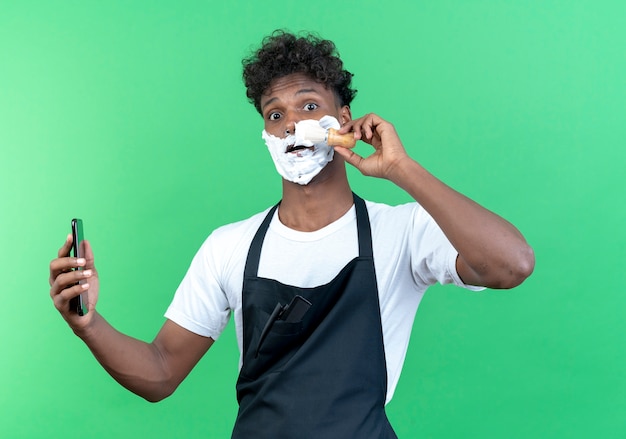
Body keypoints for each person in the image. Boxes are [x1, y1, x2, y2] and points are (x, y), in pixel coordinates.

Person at [49, 30, 535, 438]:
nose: (291, 125)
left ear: (343, 121)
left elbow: (512, 264)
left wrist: (401, 169)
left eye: (308, 104)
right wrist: (88, 324)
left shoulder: (402, 231)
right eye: (275, 113)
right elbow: (159, 372)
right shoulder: (229, 247)